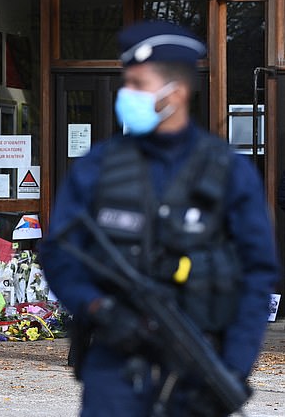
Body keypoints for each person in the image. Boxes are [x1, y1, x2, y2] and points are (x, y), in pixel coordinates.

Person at [39, 21, 280, 416]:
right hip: (115, 368)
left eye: (138, 84)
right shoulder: (98, 167)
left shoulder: (227, 172)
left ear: (176, 92)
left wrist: (232, 368)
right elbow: (59, 253)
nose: (126, 94)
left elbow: (256, 275)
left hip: (200, 367)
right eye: (126, 83)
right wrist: (97, 307)